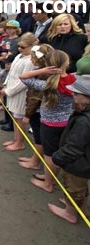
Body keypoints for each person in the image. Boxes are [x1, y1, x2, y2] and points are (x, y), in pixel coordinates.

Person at [19, 47, 76, 193]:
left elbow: (23, 76)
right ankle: (52, 178)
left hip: (49, 124)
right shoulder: (73, 81)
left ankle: (48, 184)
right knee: (58, 152)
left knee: (50, 155)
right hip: (68, 122)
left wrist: (42, 71)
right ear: (67, 63)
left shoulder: (47, 85)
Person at [49, 74, 90, 223]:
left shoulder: (84, 121)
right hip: (85, 163)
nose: (73, 96)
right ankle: (83, 209)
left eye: (77, 94)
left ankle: (70, 213)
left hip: (78, 164)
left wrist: (58, 157)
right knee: (81, 187)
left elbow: (74, 147)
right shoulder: (84, 113)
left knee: (73, 188)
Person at [0, 32, 38, 151]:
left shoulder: (31, 61)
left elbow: (25, 81)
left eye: (23, 47)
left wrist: (9, 91)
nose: (20, 49)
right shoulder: (18, 56)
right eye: (19, 46)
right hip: (12, 90)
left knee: (20, 119)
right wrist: (6, 84)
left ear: (32, 47)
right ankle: (15, 139)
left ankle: (20, 142)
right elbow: (11, 73)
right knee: (15, 117)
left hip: (21, 94)